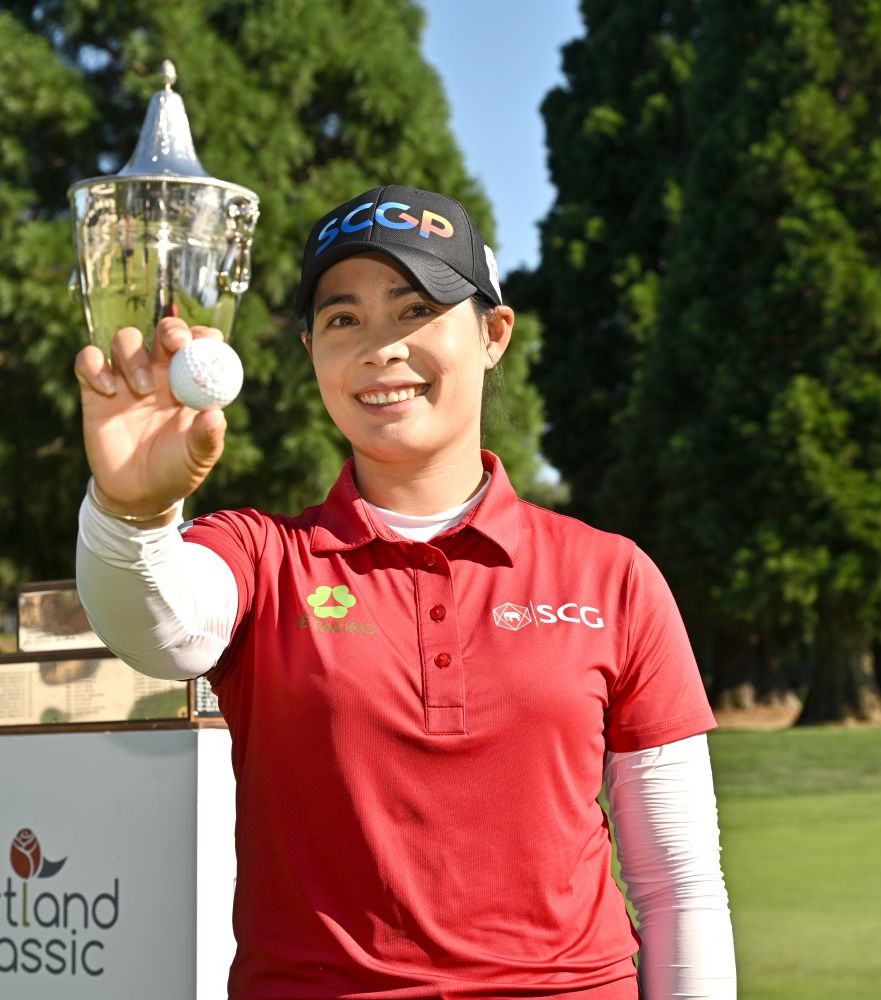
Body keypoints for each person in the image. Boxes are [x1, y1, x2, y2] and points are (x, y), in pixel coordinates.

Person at [74, 185, 737, 999]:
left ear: (493, 334)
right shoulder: (264, 554)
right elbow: (156, 626)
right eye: (343, 319)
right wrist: (133, 512)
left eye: (415, 308)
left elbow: (680, 887)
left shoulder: (612, 575)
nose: (379, 347)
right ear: (312, 348)